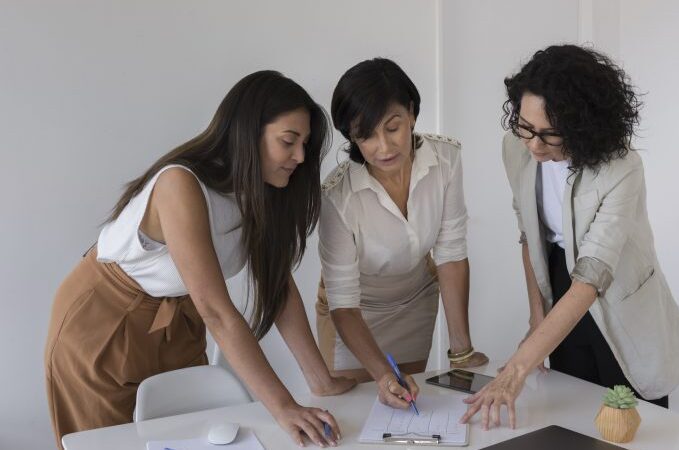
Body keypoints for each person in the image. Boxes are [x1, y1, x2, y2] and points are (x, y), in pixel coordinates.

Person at [44, 71, 356, 449]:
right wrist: (283, 406)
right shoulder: (180, 185)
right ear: (246, 133)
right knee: (113, 443)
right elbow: (217, 311)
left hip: (177, 320)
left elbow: (278, 287)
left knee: (198, 439)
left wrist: (319, 380)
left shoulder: (260, 191)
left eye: (305, 144)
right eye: (288, 141)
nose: (301, 157)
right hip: (105, 323)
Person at [461, 45, 679, 429]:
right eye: (525, 127)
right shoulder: (516, 148)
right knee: (574, 418)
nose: (534, 145)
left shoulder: (622, 167)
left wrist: (517, 368)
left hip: (618, 293)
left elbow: (591, 277)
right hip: (558, 280)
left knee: (631, 426)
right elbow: (529, 234)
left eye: (549, 134)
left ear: (582, 125)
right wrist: (537, 320)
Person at [316, 58, 487, 411]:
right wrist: (381, 373)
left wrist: (462, 352)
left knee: (410, 406)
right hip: (354, 313)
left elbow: (451, 253)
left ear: (411, 113)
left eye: (392, 128)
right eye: (366, 135)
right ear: (351, 136)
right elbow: (344, 303)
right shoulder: (337, 196)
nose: (384, 147)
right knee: (358, 412)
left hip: (415, 299)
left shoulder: (446, 158)